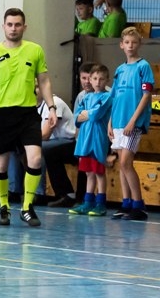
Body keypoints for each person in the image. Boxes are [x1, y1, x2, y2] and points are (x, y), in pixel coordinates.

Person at [0, 8, 58, 227]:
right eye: (10, 24)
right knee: (1, 163)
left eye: (17, 24)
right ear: (3, 27)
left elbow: (44, 81)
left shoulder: (35, 50)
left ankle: (27, 207)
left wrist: (51, 107)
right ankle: (4, 208)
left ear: (24, 27)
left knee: (35, 159)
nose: (13, 28)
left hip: (27, 114)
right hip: (1, 114)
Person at [107, 26, 153, 220]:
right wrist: (110, 122)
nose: (130, 45)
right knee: (121, 163)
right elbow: (114, 96)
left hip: (132, 123)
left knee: (126, 162)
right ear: (121, 45)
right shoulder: (120, 69)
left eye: (134, 42)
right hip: (118, 121)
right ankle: (125, 203)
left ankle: (138, 205)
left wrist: (133, 120)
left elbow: (146, 95)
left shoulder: (143, 66)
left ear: (139, 44)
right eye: (127, 42)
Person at [70, 64, 113, 216]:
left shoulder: (107, 97)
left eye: (101, 79)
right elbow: (76, 117)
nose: (97, 82)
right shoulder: (86, 97)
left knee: (99, 172)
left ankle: (101, 204)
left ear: (107, 80)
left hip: (98, 139)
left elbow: (96, 115)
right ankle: (88, 202)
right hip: (85, 139)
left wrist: (85, 114)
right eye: (95, 78)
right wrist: (85, 114)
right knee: (89, 173)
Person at [36, 89, 77, 207]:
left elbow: (45, 134)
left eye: (37, 87)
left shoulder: (55, 103)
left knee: (40, 148)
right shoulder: (36, 106)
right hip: (55, 141)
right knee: (19, 148)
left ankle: (39, 193)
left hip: (70, 142)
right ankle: (15, 190)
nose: (33, 90)